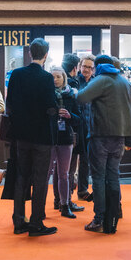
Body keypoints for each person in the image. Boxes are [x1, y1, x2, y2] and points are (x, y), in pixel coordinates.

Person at [76, 54, 131, 233]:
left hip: (101, 135)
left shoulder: (102, 80)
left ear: (97, 66)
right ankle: (114, 212)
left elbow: (81, 97)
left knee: (98, 178)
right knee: (113, 176)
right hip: (120, 136)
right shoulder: (124, 80)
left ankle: (100, 219)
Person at [5, 37, 59, 237]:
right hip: (42, 136)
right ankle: (36, 222)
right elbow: (51, 106)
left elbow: (9, 103)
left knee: (21, 177)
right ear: (45, 55)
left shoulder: (17, 75)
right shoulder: (46, 78)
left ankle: (18, 221)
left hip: (21, 135)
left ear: (30, 53)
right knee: (40, 179)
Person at [50, 67, 82, 218]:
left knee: (64, 173)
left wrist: (69, 116)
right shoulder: (46, 95)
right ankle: (41, 207)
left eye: (58, 77)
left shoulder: (71, 96)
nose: (55, 79)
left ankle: (64, 205)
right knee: (46, 173)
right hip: (49, 138)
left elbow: (78, 119)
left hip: (65, 138)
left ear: (64, 78)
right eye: (53, 77)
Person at [73, 54, 96, 201]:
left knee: (86, 161)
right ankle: (66, 194)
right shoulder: (75, 82)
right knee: (72, 160)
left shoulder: (96, 83)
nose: (86, 69)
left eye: (89, 67)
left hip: (92, 127)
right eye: (84, 66)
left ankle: (82, 190)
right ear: (80, 66)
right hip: (76, 127)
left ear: (93, 70)